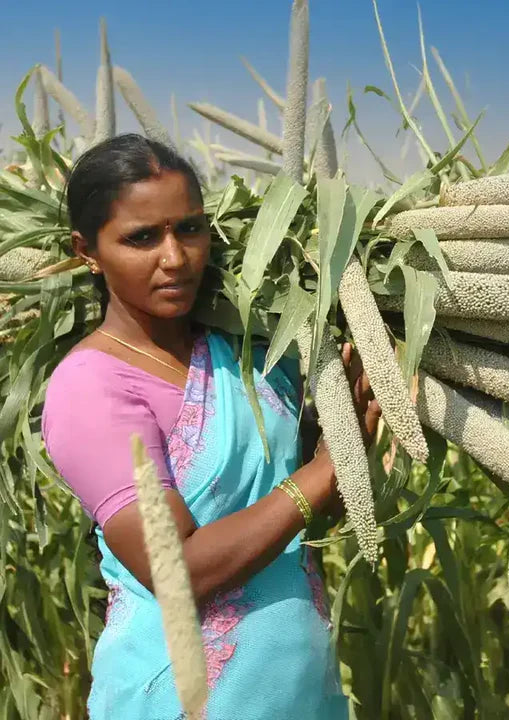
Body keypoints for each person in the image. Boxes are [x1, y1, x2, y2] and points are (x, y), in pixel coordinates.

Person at [41, 133, 380, 719]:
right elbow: (179, 572)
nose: (175, 258)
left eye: (189, 229)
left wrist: (341, 434)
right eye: (141, 238)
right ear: (87, 250)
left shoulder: (248, 355)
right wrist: (326, 473)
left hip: (299, 690)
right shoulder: (92, 388)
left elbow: (286, 516)